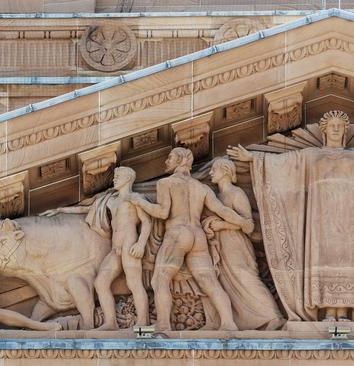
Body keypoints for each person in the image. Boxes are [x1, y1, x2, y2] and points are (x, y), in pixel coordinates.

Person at [228, 110, 354, 322]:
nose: (335, 129)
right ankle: (328, 313)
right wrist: (254, 158)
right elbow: (284, 164)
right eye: (331, 125)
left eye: (339, 126)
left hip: (347, 220)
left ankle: (343, 313)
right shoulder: (311, 156)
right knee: (321, 259)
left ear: (344, 130)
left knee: (346, 261)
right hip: (319, 219)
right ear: (324, 131)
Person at [131, 147, 253, 331]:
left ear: (180, 159)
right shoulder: (201, 187)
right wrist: (244, 222)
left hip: (178, 233)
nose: (166, 161)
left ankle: (163, 325)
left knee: (160, 279)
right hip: (198, 235)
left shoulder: (166, 183)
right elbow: (222, 210)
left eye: (170, 157)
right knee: (210, 282)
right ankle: (228, 324)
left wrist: (141, 202)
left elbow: (162, 213)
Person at [42, 167, 152, 330]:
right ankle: (110, 323)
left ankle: (144, 326)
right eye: (115, 176)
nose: (114, 179)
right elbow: (85, 209)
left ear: (128, 178)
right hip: (115, 248)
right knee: (100, 283)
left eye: (118, 176)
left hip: (130, 244)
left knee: (134, 283)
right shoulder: (110, 200)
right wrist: (60, 210)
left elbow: (147, 221)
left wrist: (141, 243)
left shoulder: (134, 198)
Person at [204, 158, 284, 330]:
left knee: (245, 278)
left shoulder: (236, 193)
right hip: (221, 245)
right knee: (226, 282)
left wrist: (222, 225)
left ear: (225, 171)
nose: (210, 173)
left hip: (236, 244)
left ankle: (274, 316)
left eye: (214, 169)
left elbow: (248, 225)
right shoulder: (216, 197)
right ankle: (245, 322)